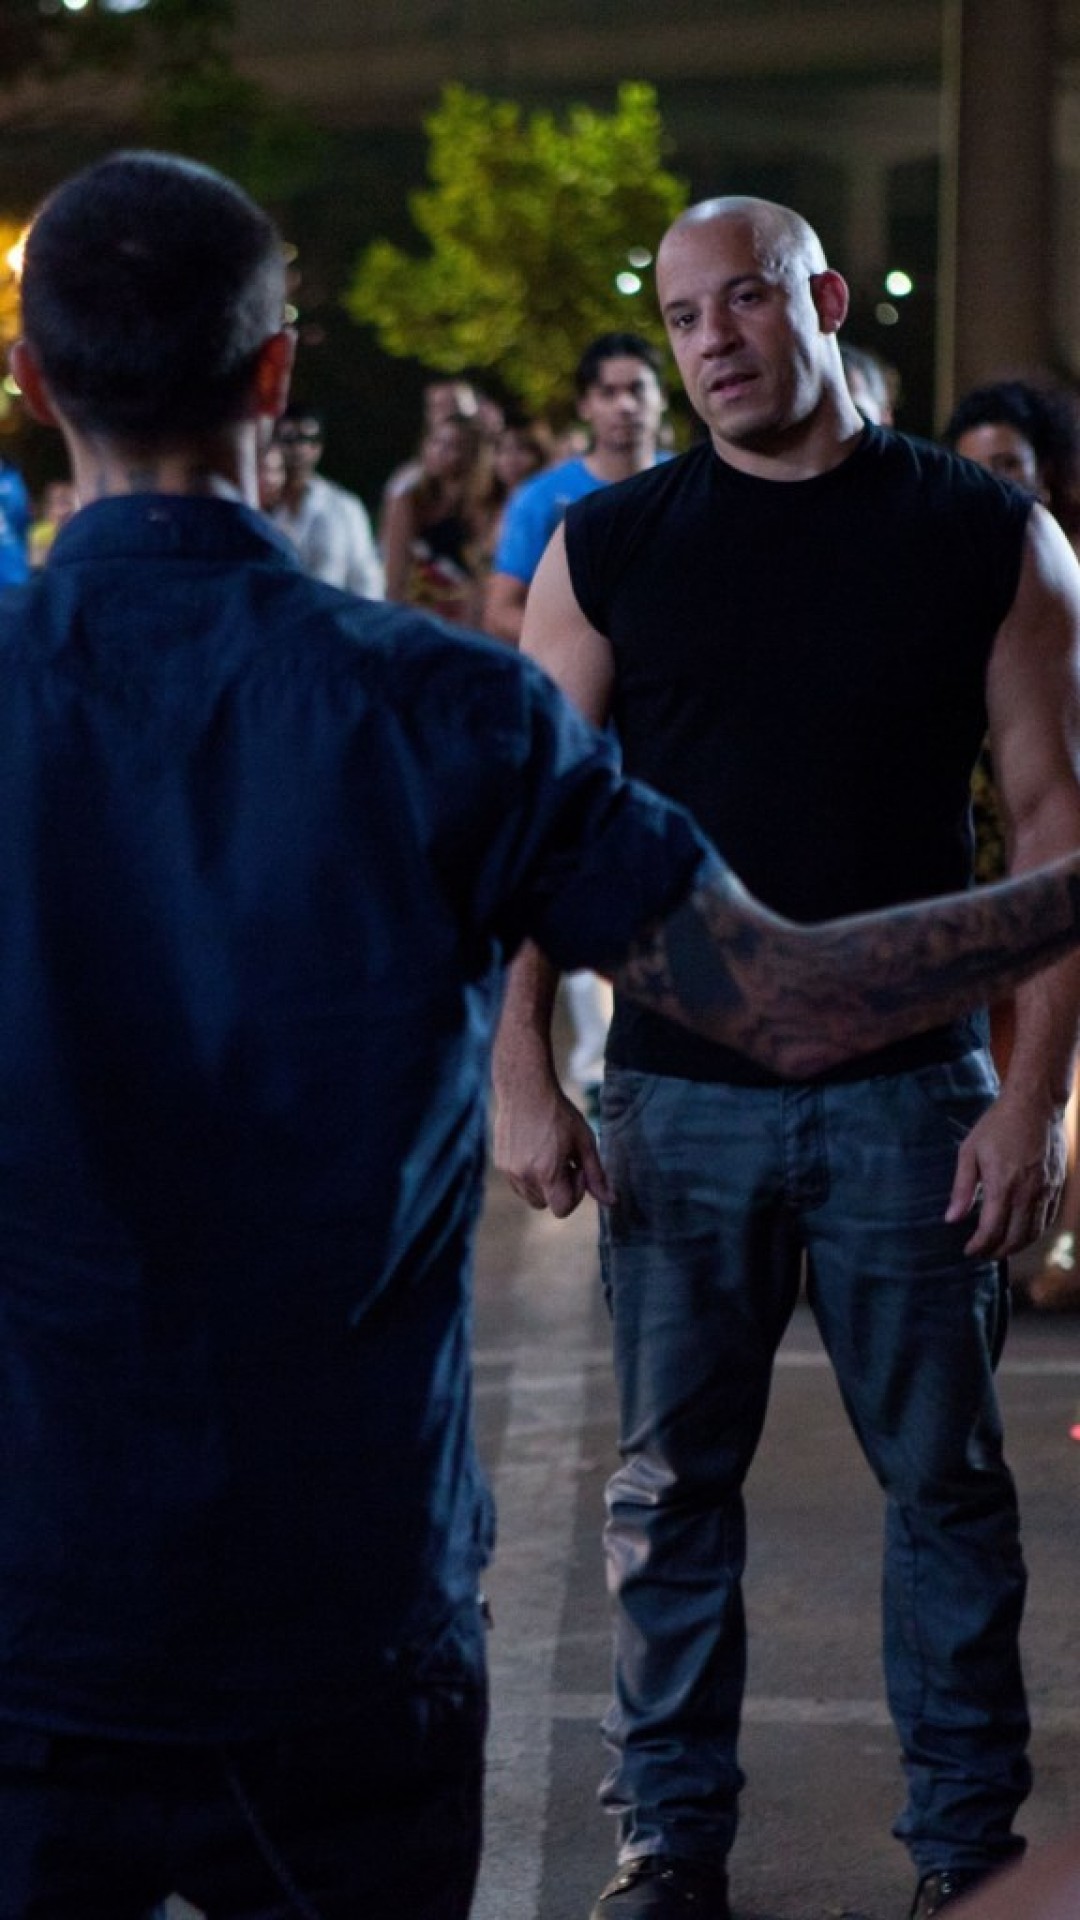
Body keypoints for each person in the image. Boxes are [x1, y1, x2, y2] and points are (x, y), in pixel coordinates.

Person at [8, 154, 1080, 1920]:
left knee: (906, 1482)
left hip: (34, 1602)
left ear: (35, 383)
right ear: (276, 374)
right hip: (340, 1615)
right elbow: (787, 994)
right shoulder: (441, 713)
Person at [492, 195, 1080, 1920]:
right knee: (670, 1495)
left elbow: (1054, 833)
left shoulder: (989, 534)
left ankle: (964, 1854)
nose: (712, 343)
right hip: (678, 1097)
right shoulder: (609, 547)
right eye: (682, 319)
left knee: (948, 1492)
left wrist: (1033, 1101)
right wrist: (522, 1069)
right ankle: (670, 1846)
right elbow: (534, 826)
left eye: (742, 301)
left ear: (821, 299)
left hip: (916, 1099)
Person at [943, 377, 1080, 1309]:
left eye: (1011, 465)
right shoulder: (935, 577)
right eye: (977, 468)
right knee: (995, 1062)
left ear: (1046, 473)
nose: (997, 483)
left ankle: (1064, 1249)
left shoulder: (1060, 572)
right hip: (981, 876)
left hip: (1057, 851)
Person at [482, 331, 668, 648]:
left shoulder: (694, 483)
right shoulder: (540, 498)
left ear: (661, 397)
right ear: (584, 405)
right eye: (608, 393)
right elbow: (500, 612)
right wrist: (592, 647)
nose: (625, 405)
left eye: (637, 390)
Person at [382, 409, 497, 625]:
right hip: (417, 617)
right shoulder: (410, 500)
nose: (438, 452)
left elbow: (484, 577)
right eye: (435, 442)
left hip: (468, 621)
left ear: (473, 454)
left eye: (452, 446)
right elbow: (395, 576)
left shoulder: (486, 507)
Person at [270, 403, 384, 596]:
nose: (299, 448)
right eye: (289, 439)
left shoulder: (344, 507)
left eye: (308, 440)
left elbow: (366, 578)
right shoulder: (256, 503)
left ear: (319, 447)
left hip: (328, 612)